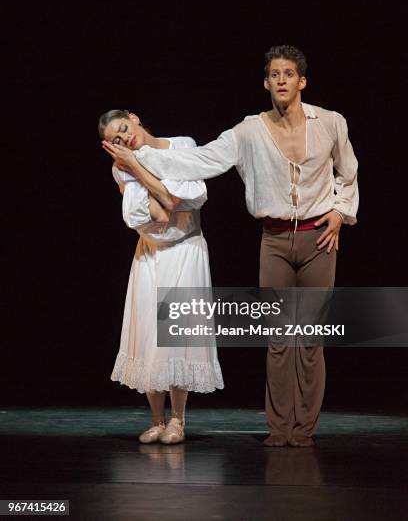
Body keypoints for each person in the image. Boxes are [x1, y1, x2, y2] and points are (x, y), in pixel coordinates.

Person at [108, 46, 359, 447]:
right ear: (266, 82)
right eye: (274, 74)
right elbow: (200, 162)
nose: (281, 80)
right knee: (279, 339)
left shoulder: (330, 122)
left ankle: (303, 430)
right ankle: (279, 430)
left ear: (301, 81)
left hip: (318, 237)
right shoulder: (249, 130)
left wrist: (340, 212)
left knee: (309, 338)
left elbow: (348, 172)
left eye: (288, 73)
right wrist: (139, 160)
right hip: (274, 239)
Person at [99, 110, 224, 445]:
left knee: (176, 337)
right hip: (151, 253)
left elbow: (186, 197)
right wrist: (158, 192)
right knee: (150, 336)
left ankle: (178, 420)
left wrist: (140, 170)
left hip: (185, 250)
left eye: (124, 129)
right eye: (116, 140)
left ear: (134, 118)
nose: (125, 139)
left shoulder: (181, 145)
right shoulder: (118, 170)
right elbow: (139, 216)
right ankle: (156, 419)